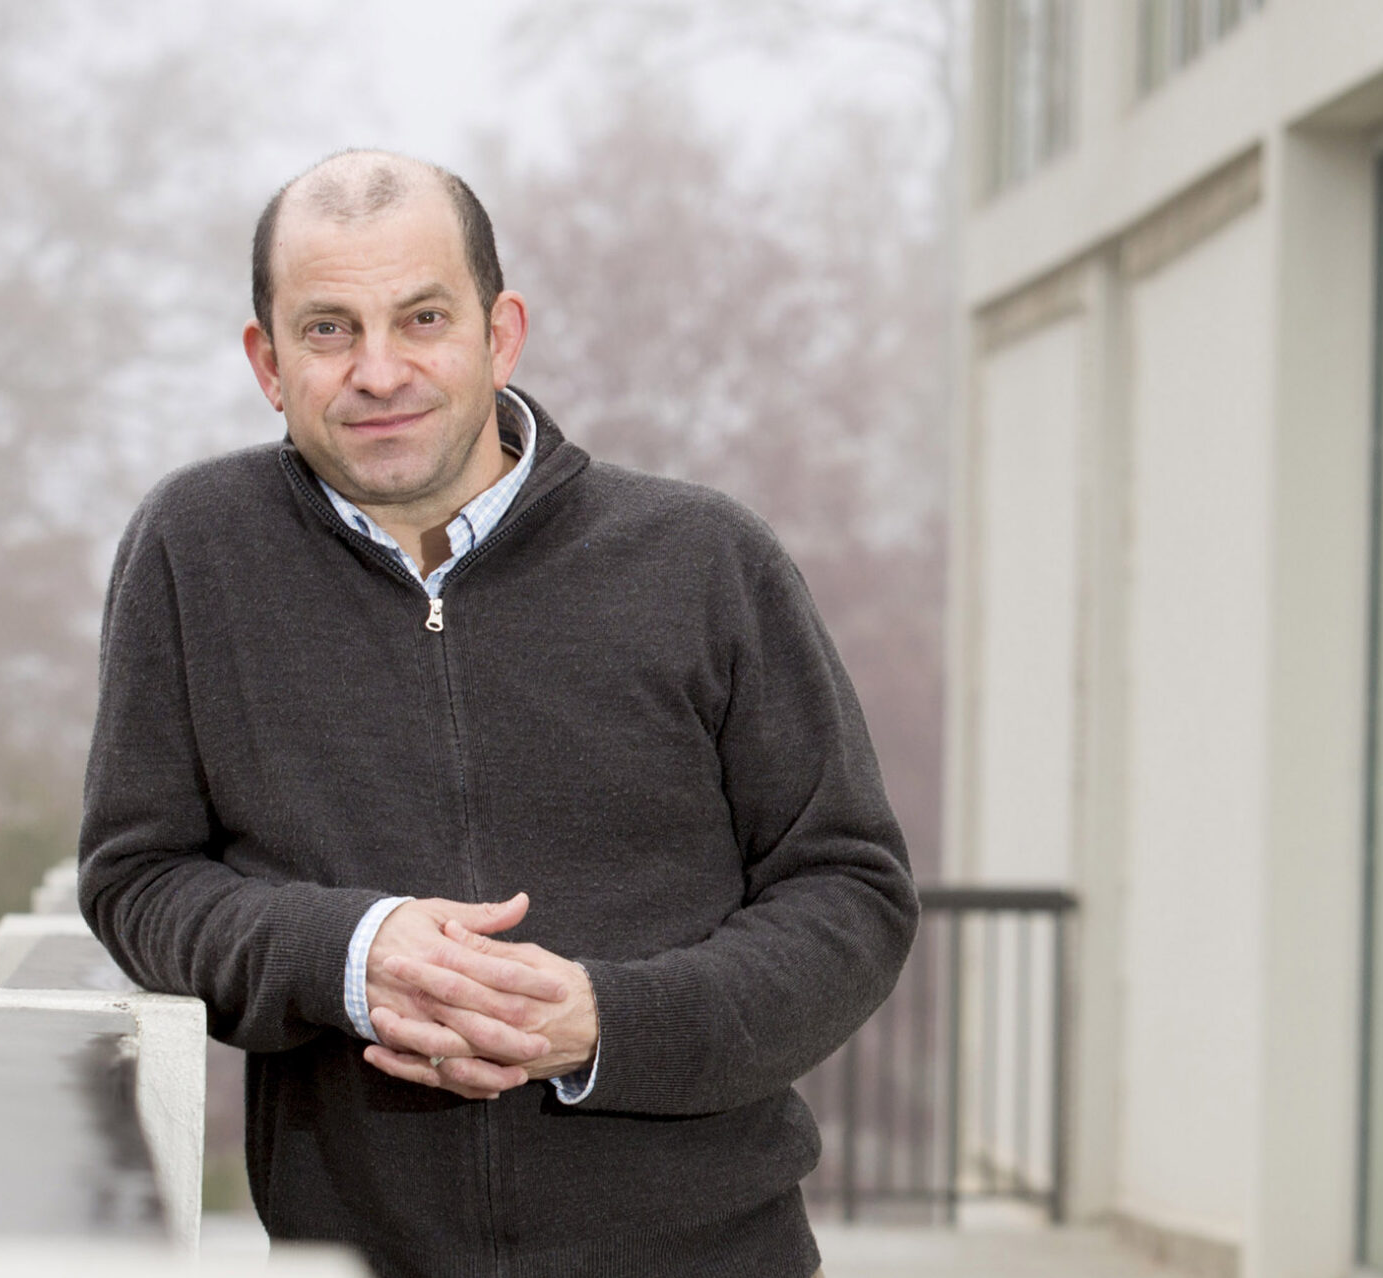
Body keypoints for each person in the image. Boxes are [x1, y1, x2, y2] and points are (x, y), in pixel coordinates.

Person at [77, 149, 917, 1278]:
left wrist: (606, 1022)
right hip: (359, 1260)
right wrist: (346, 954)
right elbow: (138, 877)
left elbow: (849, 893)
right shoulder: (195, 550)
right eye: (328, 330)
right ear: (266, 361)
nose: (379, 371)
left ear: (499, 331)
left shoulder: (703, 559)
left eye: (422, 317)